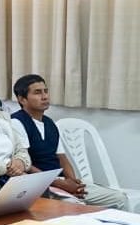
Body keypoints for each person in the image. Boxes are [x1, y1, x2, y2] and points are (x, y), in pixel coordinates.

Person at [10, 74, 127, 209]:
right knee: (77, 206)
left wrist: (72, 182)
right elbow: (26, 164)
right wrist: (60, 184)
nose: (44, 96)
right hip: (39, 185)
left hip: (61, 182)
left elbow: (62, 158)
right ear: (22, 99)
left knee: (119, 198)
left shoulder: (50, 123)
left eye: (45, 91)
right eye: (37, 92)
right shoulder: (16, 122)